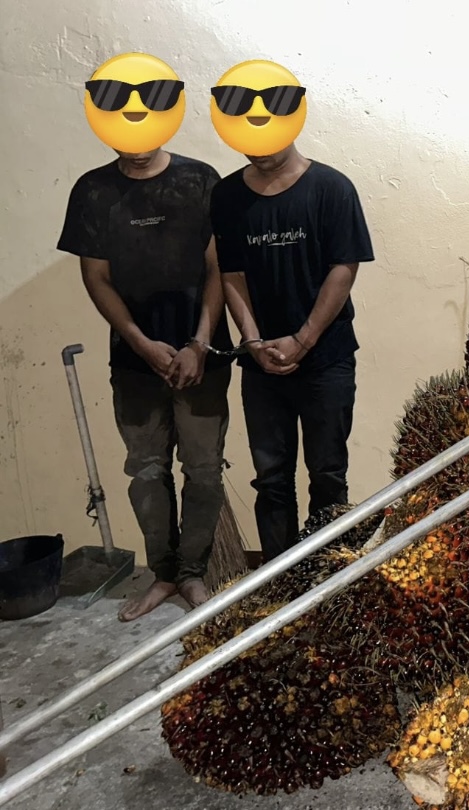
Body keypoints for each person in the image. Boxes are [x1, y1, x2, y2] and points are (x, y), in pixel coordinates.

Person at [57, 146, 235, 621]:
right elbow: (96, 277)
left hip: (203, 358)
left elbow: (220, 266)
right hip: (134, 365)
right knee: (146, 470)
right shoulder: (93, 190)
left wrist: (199, 344)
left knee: (204, 469)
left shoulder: (200, 180)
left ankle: (193, 573)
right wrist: (140, 343)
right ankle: (164, 574)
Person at [211, 142, 373, 563]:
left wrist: (303, 339)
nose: (258, 151)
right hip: (260, 365)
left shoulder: (332, 188)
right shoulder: (227, 195)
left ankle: (328, 577)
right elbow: (231, 273)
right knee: (271, 481)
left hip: (327, 360)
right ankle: (279, 582)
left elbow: (344, 269)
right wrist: (252, 342)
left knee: (328, 475)